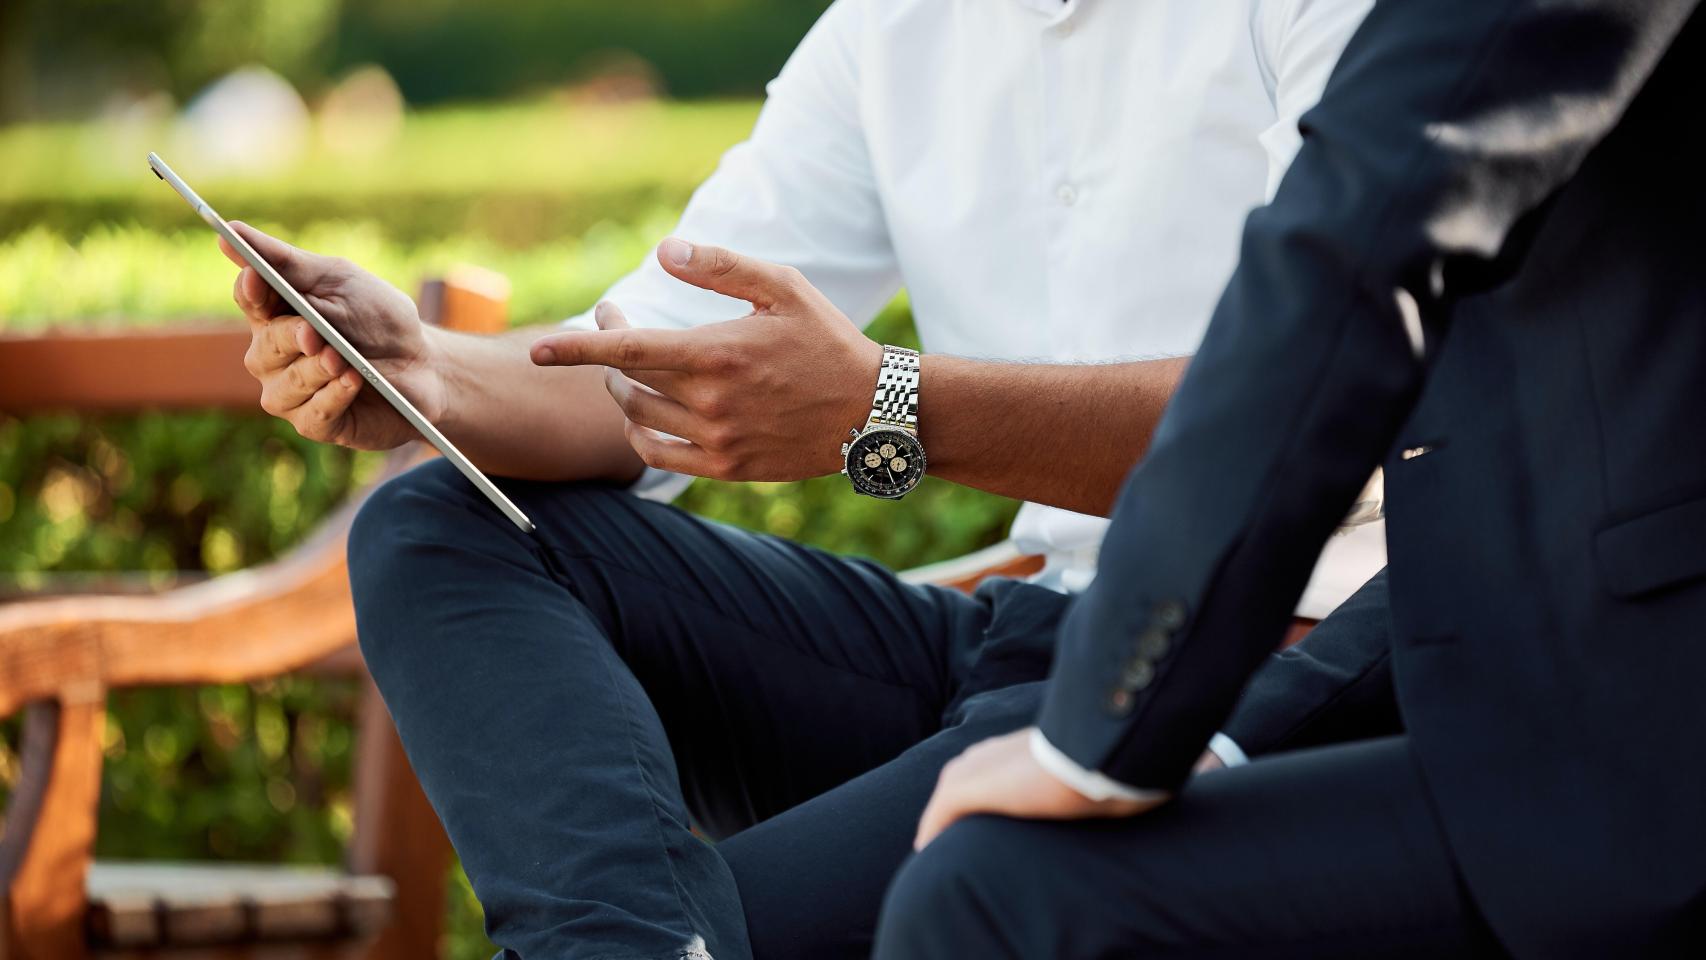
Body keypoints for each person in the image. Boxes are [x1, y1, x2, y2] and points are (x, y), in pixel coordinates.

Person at [222, 2, 1377, 957]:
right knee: (435, 525)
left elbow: (1315, 409)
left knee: (717, 934)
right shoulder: (890, 30)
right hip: (1019, 634)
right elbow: (652, 356)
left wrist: (884, 409)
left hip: (1257, 660)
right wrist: (427, 370)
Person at [878, 0, 1706, 957]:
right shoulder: (889, 32)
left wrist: (1100, 735)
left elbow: (1348, 254)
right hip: (1479, 692)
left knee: (993, 897)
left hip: (1630, 750)